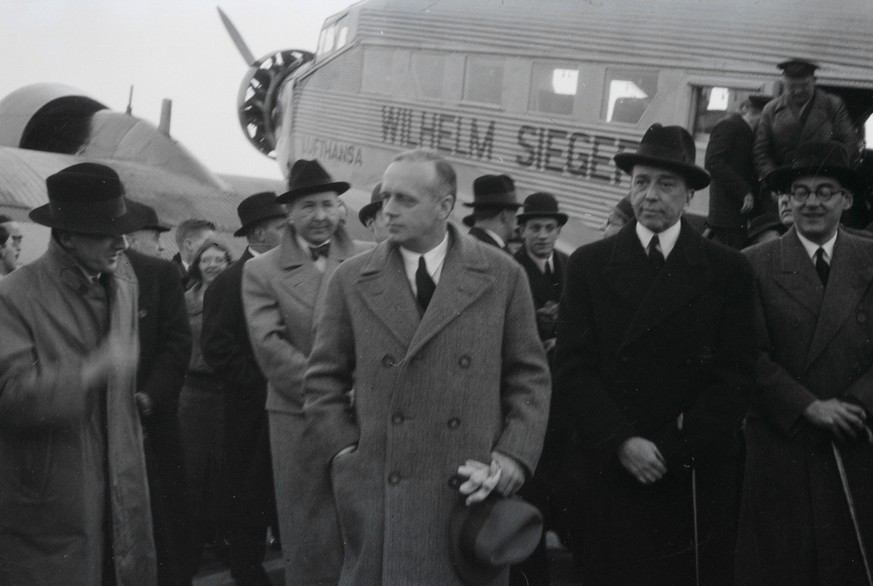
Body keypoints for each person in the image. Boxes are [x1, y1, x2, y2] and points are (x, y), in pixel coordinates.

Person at [303, 148, 551, 584]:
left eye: (405, 199)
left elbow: (529, 377)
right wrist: (346, 456)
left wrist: (513, 459)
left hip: (468, 491)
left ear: (445, 207)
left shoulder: (502, 274)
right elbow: (323, 380)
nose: (388, 210)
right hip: (379, 491)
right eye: (386, 198)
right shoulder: (352, 279)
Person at [552, 124, 757, 585]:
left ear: (689, 196)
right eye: (641, 181)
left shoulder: (727, 270)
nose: (650, 195)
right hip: (612, 467)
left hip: (690, 473)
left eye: (666, 184)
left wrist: (670, 449)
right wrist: (623, 443)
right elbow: (572, 369)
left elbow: (738, 377)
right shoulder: (588, 265)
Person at [0, 163, 155, 584]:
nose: (122, 243)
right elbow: (8, 396)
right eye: (108, 232)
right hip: (53, 497)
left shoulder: (123, 285)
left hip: (117, 488)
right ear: (67, 236)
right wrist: (89, 371)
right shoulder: (13, 297)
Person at [736, 141, 873, 585]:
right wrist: (809, 407)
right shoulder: (753, 264)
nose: (811, 201)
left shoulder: (870, 258)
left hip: (856, 437)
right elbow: (745, 354)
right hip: (782, 443)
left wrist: (853, 404)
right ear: (787, 201)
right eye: (801, 192)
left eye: (825, 190)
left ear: (846, 199)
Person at [242, 160, 363, 585]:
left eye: (329, 204)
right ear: (288, 213)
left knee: (362, 528)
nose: (320, 216)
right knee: (310, 534)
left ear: (341, 209)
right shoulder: (261, 270)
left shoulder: (369, 260)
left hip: (361, 413)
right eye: (308, 205)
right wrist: (332, 393)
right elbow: (270, 347)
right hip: (299, 418)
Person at [201, 191, 287, 585]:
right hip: (252, 408)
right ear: (259, 232)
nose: (292, 232)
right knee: (249, 492)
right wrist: (259, 383)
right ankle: (247, 569)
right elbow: (217, 345)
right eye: (282, 227)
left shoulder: (295, 273)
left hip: (293, 405)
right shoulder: (230, 282)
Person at [124, 198, 193, 586]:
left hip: (154, 419)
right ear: (132, 238)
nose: (160, 246)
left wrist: (149, 397)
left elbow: (177, 343)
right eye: (155, 238)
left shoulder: (160, 276)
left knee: (164, 518)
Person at [177, 239, 232, 580]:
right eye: (206, 259)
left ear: (228, 263)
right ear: (196, 264)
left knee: (225, 470)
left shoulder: (237, 296)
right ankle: (190, 547)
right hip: (193, 393)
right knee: (193, 471)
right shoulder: (185, 300)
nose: (212, 265)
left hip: (227, 392)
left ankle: (223, 541)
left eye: (219, 259)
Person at [753, 59, 857, 180]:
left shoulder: (832, 104)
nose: (798, 91)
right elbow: (761, 151)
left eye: (804, 86)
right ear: (784, 83)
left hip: (823, 180)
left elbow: (849, 143)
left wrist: (834, 177)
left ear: (814, 81)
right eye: (791, 87)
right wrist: (774, 179)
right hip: (783, 182)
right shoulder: (770, 109)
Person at [705, 95, 770, 248]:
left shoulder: (747, 131)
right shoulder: (729, 126)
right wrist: (744, 191)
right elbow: (713, 162)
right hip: (728, 213)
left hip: (738, 214)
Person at [513, 192, 568, 355]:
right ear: (523, 231)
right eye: (535, 228)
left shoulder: (571, 264)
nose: (543, 236)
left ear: (558, 231)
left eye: (549, 228)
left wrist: (562, 341)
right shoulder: (512, 267)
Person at [463, 174, 522, 251]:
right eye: (515, 213)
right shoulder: (496, 254)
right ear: (505, 216)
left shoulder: (464, 246)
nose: (517, 222)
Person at [172, 218, 216, 288]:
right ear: (188, 245)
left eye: (214, 243)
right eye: (208, 243)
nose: (214, 247)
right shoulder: (166, 277)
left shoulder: (218, 277)